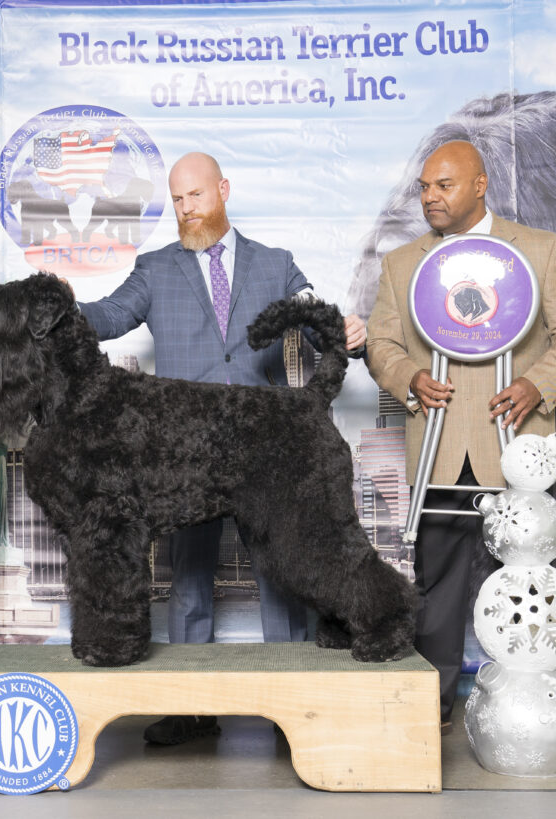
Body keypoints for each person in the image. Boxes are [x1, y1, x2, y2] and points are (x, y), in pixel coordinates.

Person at [79, 152, 367, 744]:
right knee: (189, 575)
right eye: (177, 200)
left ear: (223, 191)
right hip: (185, 443)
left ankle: (289, 700)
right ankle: (191, 706)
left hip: (264, 439)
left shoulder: (275, 263)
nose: (186, 210)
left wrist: (346, 329)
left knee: (281, 569)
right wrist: (64, 309)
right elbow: (109, 315)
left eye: (195, 197)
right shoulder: (155, 268)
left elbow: (314, 315)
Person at [365, 140, 556, 732]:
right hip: (440, 448)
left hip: (516, 444)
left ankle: (532, 706)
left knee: (526, 580)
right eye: (423, 187)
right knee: (436, 583)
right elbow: (381, 345)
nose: (429, 198)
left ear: (479, 185)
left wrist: (536, 385)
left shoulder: (541, 251)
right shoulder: (402, 263)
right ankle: (434, 704)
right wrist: (408, 377)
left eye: (443, 186)